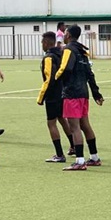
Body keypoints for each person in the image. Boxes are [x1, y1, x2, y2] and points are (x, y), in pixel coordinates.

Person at [55, 24, 104, 171]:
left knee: (74, 127)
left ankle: (80, 161)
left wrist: (56, 80)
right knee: (85, 125)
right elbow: (90, 74)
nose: (63, 35)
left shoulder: (69, 49)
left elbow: (65, 69)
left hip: (72, 93)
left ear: (68, 35)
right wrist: (96, 93)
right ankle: (94, 157)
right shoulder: (83, 52)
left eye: (65, 33)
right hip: (84, 93)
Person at [37, 31, 75, 162]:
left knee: (51, 123)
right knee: (62, 119)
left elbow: (49, 79)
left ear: (47, 43)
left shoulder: (48, 58)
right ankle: (73, 145)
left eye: (42, 42)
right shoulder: (61, 54)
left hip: (53, 95)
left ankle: (59, 154)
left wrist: (41, 97)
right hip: (63, 92)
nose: (41, 44)